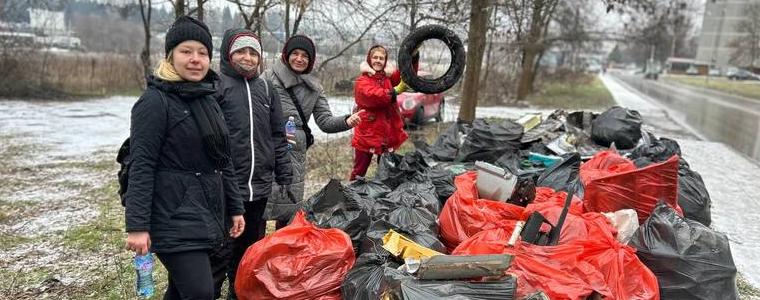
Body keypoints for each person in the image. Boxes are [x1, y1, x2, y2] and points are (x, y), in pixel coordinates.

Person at [124, 16, 245, 300]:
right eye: (186, 51)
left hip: (206, 212)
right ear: (170, 56)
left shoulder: (209, 98)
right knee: (201, 293)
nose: (195, 59)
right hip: (170, 215)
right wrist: (138, 226)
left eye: (202, 53)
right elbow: (141, 165)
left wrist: (235, 208)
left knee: (181, 292)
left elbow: (223, 160)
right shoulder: (154, 102)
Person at [217, 28, 292, 300]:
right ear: (228, 54)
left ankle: (242, 291)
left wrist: (284, 171)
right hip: (227, 185)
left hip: (259, 184)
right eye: (241, 51)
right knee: (225, 247)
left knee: (252, 246)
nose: (248, 58)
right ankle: (221, 285)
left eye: (253, 52)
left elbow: (277, 134)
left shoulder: (266, 88)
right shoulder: (217, 86)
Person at [262, 34, 361, 227]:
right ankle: (254, 252)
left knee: (288, 208)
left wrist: (346, 121)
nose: (299, 59)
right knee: (260, 204)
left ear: (311, 60)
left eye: (305, 56)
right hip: (266, 146)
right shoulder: (267, 78)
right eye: (295, 54)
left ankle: (282, 252)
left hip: (294, 153)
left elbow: (324, 121)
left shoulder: (314, 88)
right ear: (286, 55)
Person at [350, 44, 410, 180]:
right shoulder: (362, 81)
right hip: (368, 134)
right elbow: (372, 96)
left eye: (381, 58)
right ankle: (349, 197)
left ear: (385, 61)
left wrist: (413, 56)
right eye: (375, 57)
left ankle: (383, 198)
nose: (378, 60)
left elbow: (408, 76)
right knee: (359, 171)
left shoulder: (389, 78)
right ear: (369, 60)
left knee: (387, 172)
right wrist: (394, 92)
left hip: (388, 134)